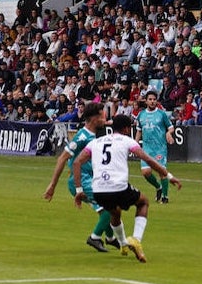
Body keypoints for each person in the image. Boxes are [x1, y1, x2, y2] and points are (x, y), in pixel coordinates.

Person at [71, 113, 181, 263]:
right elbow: (148, 159)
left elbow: (77, 163)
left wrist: (79, 191)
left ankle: (123, 244)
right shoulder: (127, 141)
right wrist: (168, 176)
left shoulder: (95, 142)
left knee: (115, 213)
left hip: (98, 190)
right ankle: (136, 239)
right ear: (126, 128)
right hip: (118, 187)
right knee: (143, 202)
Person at [43, 100, 121, 252]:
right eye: (103, 116)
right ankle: (95, 237)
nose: (105, 119)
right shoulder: (82, 137)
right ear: (93, 119)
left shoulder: (93, 136)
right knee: (111, 207)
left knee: (104, 210)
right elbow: (62, 158)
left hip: (89, 179)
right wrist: (52, 185)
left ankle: (110, 238)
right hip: (81, 180)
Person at [136, 90, 175, 204]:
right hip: (146, 149)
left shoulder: (162, 114)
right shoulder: (141, 115)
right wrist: (134, 144)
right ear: (146, 101)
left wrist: (169, 133)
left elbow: (171, 127)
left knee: (162, 172)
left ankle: (165, 197)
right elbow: (139, 131)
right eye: (150, 99)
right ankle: (158, 187)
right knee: (145, 172)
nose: (152, 101)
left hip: (160, 148)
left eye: (154, 99)